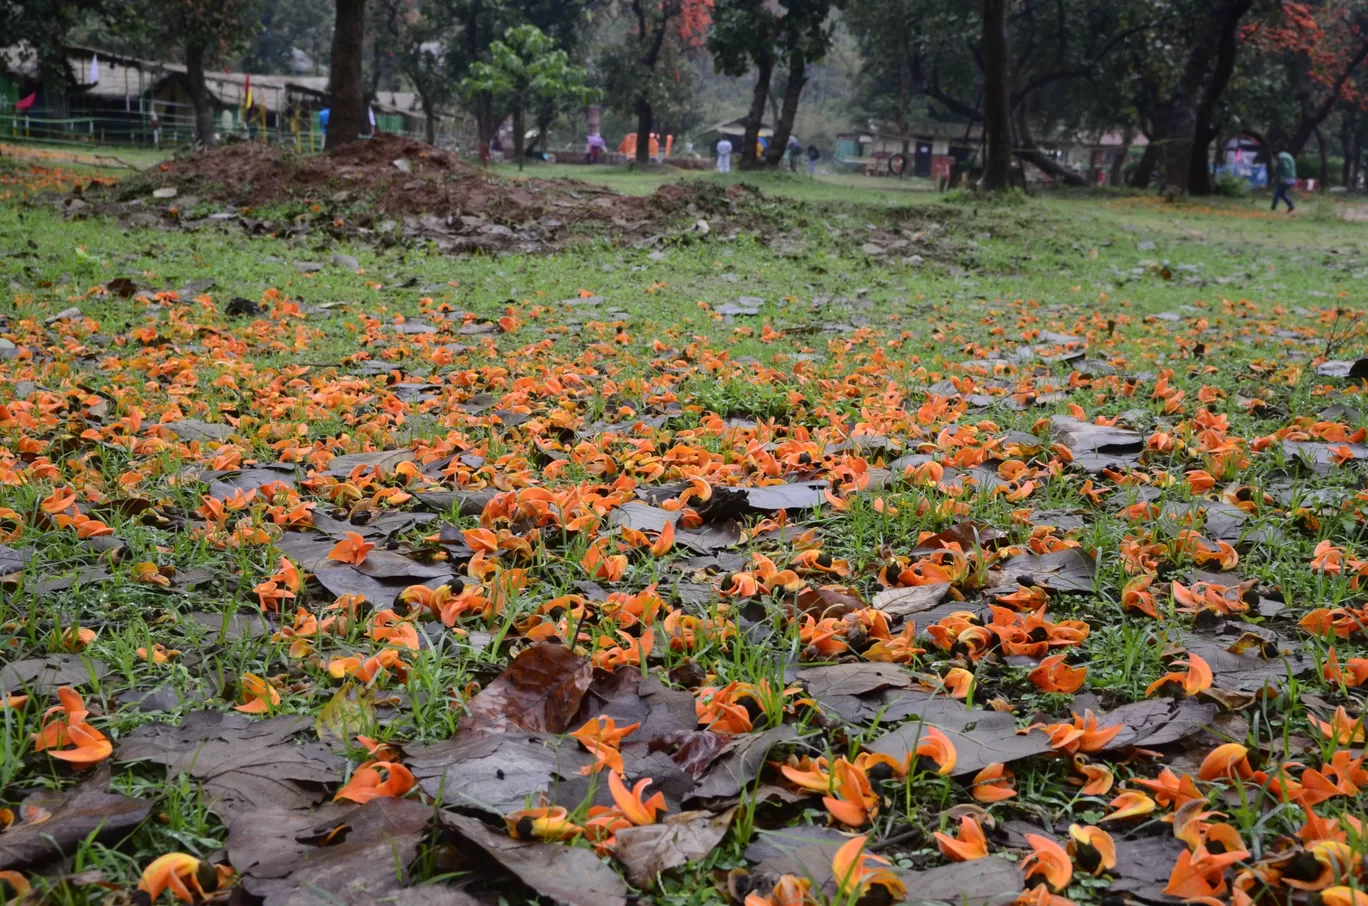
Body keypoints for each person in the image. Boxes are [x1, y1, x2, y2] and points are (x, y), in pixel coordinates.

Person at [1273, 147, 1297, 212]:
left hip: (1286, 179)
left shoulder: (1281, 157)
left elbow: (1285, 166)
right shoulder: (1288, 155)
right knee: (1282, 193)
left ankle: (1273, 208)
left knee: (1277, 193)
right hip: (1293, 178)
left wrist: (1282, 177)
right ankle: (1291, 206)